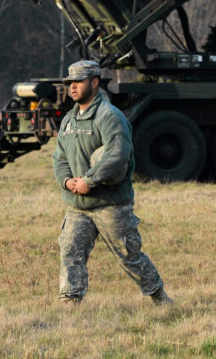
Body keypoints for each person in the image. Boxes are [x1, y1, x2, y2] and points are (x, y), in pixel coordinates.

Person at [52, 60, 172, 306]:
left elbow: (118, 155)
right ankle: (69, 303)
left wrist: (90, 180)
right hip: (78, 204)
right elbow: (60, 156)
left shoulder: (110, 117)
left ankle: (159, 298)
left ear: (94, 83)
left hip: (111, 204)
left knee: (129, 256)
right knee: (70, 252)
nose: (72, 87)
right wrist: (66, 181)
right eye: (70, 83)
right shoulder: (69, 120)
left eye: (78, 82)